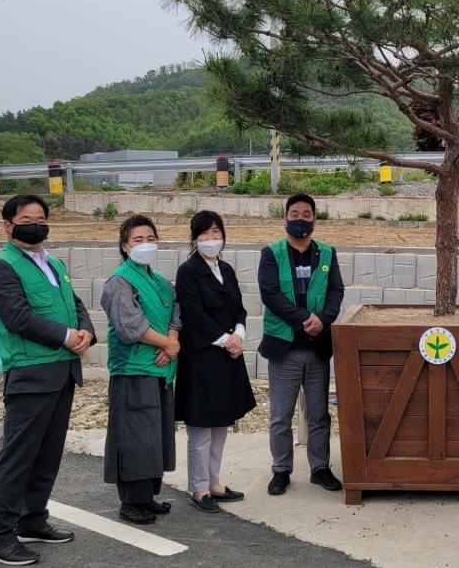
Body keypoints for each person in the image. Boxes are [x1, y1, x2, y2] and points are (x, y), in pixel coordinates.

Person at [0, 195, 95, 566]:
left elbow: (74, 304)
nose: (36, 224)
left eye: (41, 218)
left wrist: (86, 331)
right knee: (18, 458)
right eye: (26, 218)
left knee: (46, 455)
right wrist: (66, 336)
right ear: (8, 225)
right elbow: (17, 317)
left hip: (62, 371)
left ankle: (33, 520)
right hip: (31, 374)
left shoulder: (54, 262)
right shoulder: (0, 267)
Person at [259, 192, 345, 496]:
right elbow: (270, 294)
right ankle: (281, 470)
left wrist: (323, 319)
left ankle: (320, 468)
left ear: (314, 220)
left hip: (318, 347)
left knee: (319, 413)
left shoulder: (326, 253)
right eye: (294, 214)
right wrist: (304, 318)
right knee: (281, 415)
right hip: (285, 349)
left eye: (306, 214)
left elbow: (336, 291)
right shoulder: (272, 253)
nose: (300, 220)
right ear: (285, 218)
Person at [100, 214, 181, 525]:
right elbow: (130, 326)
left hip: (161, 368)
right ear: (124, 246)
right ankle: (131, 502)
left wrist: (171, 340)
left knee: (154, 437)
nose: (146, 244)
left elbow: (176, 310)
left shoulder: (159, 281)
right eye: (138, 239)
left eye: (150, 238)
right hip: (133, 370)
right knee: (133, 437)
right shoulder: (119, 282)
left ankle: (147, 496)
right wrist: (168, 344)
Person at [175, 211, 256, 513]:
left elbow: (240, 309)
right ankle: (198, 488)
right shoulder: (188, 271)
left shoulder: (227, 269)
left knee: (222, 421)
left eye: (216, 233)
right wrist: (226, 340)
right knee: (201, 427)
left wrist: (240, 334)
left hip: (228, 356)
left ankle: (214, 483)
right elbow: (194, 316)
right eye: (205, 234)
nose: (211, 239)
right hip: (203, 357)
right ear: (194, 238)